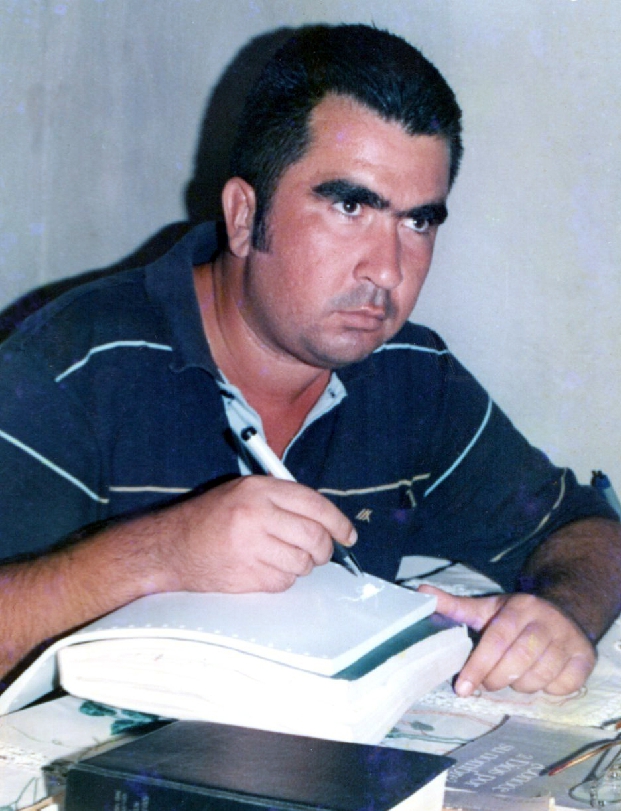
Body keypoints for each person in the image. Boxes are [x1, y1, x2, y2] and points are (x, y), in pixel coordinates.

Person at [0, 24, 620, 701]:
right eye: (350, 206)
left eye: (417, 222)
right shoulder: (70, 366)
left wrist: (560, 615)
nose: (387, 270)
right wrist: (157, 554)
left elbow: (587, 530)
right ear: (244, 216)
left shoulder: (411, 375)